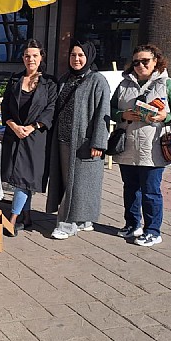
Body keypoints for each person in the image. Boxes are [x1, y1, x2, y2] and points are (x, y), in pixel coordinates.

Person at [111, 43, 171, 247]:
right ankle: (132, 224)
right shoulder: (124, 85)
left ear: (156, 62)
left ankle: (153, 230)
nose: (140, 65)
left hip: (153, 148)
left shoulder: (166, 84)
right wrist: (122, 115)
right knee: (130, 189)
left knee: (151, 191)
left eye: (145, 61)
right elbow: (110, 109)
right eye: (136, 62)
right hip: (127, 146)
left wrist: (166, 116)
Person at [45, 40, 110, 240]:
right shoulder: (65, 78)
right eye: (73, 55)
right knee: (69, 183)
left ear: (89, 56)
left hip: (84, 141)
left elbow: (103, 112)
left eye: (81, 55)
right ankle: (82, 219)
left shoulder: (97, 80)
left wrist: (99, 142)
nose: (76, 59)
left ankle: (67, 224)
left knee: (79, 184)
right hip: (63, 140)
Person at [0, 39, 57, 236]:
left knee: (25, 178)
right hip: (14, 134)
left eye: (34, 55)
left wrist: (32, 127)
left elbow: (51, 109)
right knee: (20, 178)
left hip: (36, 137)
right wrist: (13, 125)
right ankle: (27, 216)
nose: (30, 59)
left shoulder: (49, 83)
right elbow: (5, 106)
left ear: (41, 58)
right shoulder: (15, 80)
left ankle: (13, 219)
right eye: (27, 55)